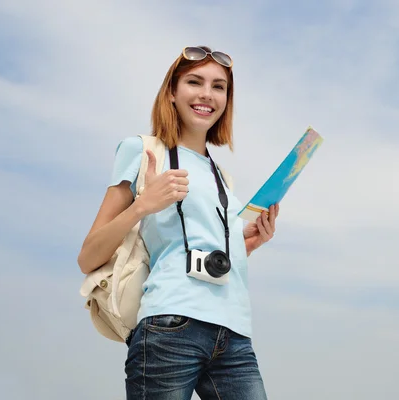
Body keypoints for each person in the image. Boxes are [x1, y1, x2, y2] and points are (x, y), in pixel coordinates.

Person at [77, 45, 278, 400]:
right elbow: (88, 257)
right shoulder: (142, 150)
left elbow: (198, 252)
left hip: (233, 333)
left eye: (219, 86)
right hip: (170, 325)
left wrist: (246, 244)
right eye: (195, 82)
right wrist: (143, 205)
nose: (207, 94)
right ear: (172, 91)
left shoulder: (222, 177)